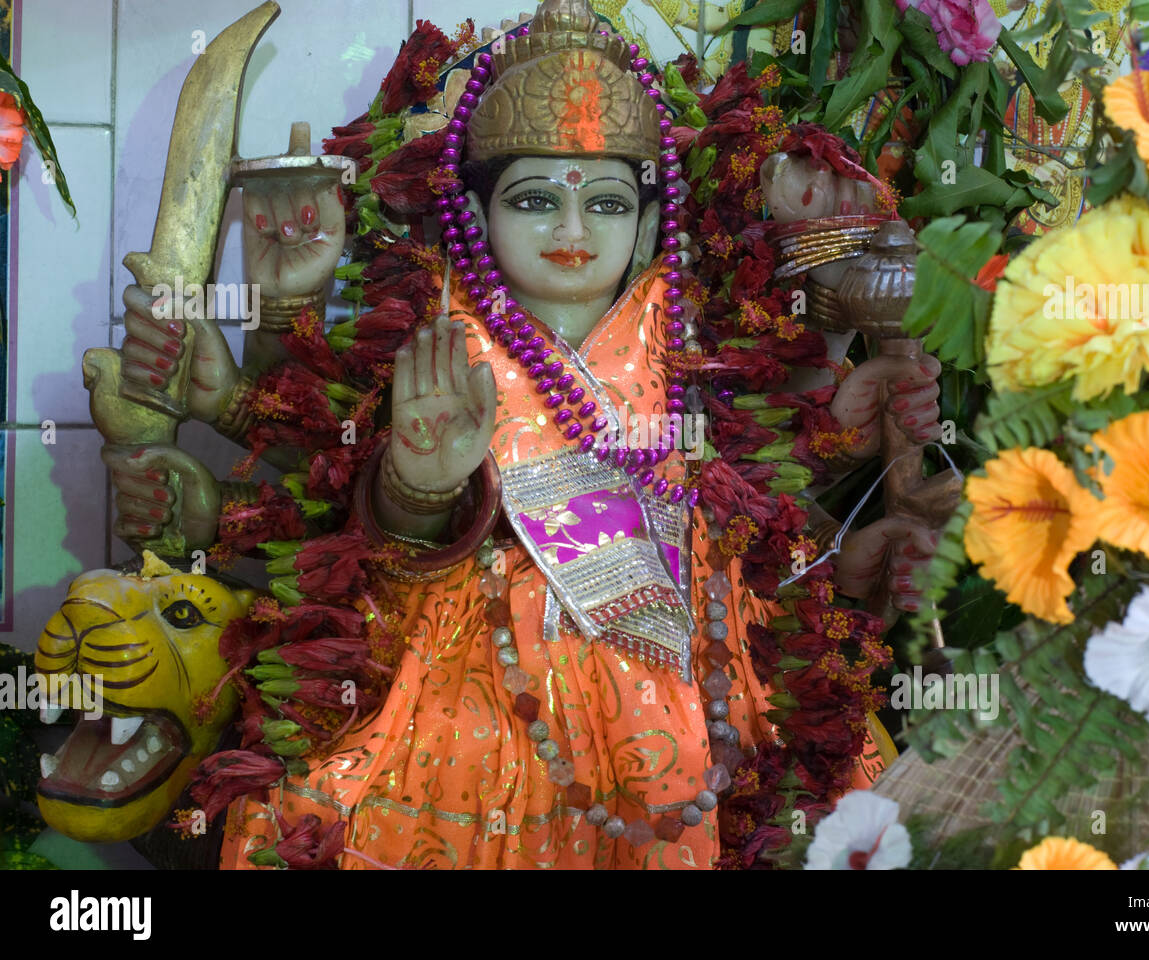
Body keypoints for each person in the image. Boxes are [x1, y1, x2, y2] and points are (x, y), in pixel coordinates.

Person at [107, 0, 939, 869]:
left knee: (718, 776)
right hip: (463, 677)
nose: (573, 234)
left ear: (650, 221)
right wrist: (419, 485)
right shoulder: (432, 330)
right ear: (474, 210)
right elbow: (345, 535)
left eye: (608, 203)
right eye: (536, 199)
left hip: (693, 684)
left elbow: (773, 494)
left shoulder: (697, 338)